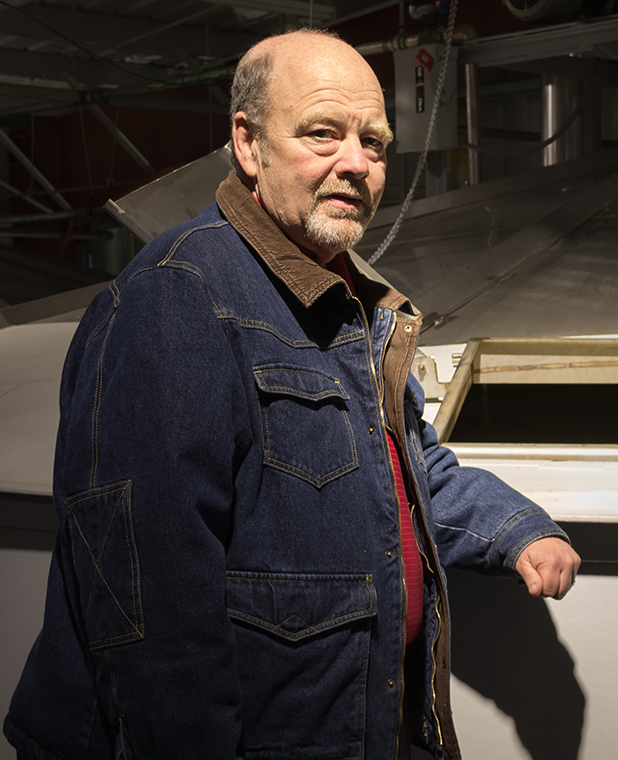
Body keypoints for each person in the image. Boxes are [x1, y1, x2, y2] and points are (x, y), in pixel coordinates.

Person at [4, 28, 580, 760]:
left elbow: (404, 468)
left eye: (373, 143)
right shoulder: (180, 297)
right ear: (248, 144)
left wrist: (516, 528)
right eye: (322, 133)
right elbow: (152, 607)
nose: (357, 164)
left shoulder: (349, 297)